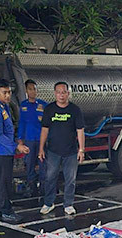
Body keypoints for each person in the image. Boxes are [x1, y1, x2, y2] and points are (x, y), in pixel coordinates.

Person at [39, 82, 85, 216]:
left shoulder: (75, 110)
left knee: (70, 179)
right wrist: (41, 148)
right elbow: (44, 130)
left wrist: (81, 150)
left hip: (70, 152)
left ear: (68, 93)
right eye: (58, 92)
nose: (61, 95)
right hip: (53, 151)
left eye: (64, 92)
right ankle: (48, 203)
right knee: (50, 177)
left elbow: (80, 130)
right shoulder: (49, 109)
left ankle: (68, 204)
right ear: (55, 94)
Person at [0, 78, 29, 223]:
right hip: (0, 151)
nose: (8, 95)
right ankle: (6, 211)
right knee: (4, 183)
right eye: (4, 93)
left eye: (9, 92)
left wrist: (16, 141)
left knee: (1, 182)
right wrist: (16, 146)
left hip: (5, 150)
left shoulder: (4, 107)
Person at [17, 79, 47, 197]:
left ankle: (44, 188)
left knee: (43, 164)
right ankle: (32, 188)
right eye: (30, 89)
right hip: (29, 140)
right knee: (29, 164)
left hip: (41, 141)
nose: (33, 91)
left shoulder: (43, 105)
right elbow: (22, 123)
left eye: (34, 89)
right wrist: (20, 138)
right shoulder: (23, 106)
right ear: (26, 91)